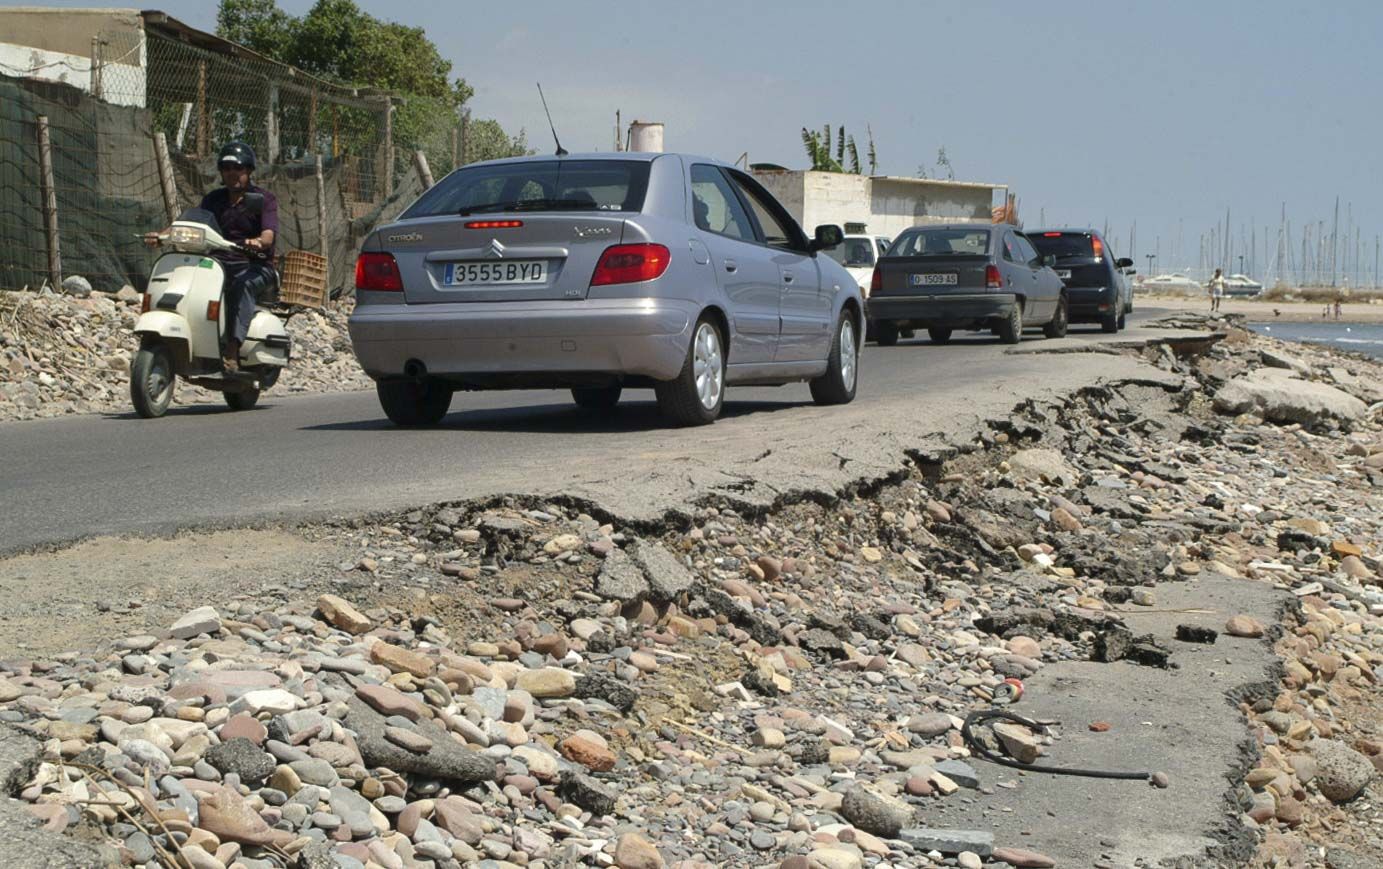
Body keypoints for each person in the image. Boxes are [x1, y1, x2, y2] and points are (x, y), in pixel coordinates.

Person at [145, 141, 279, 372]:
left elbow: (268, 236)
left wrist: (257, 242)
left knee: (241, 287)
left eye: (238, 168)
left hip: (254, 264)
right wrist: (162, 236)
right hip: (219, 262)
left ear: (248, 171)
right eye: (226, 169)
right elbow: (191, 222)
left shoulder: (263, 199)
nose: (232, 173)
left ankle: (232, 350)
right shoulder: (214, 199)